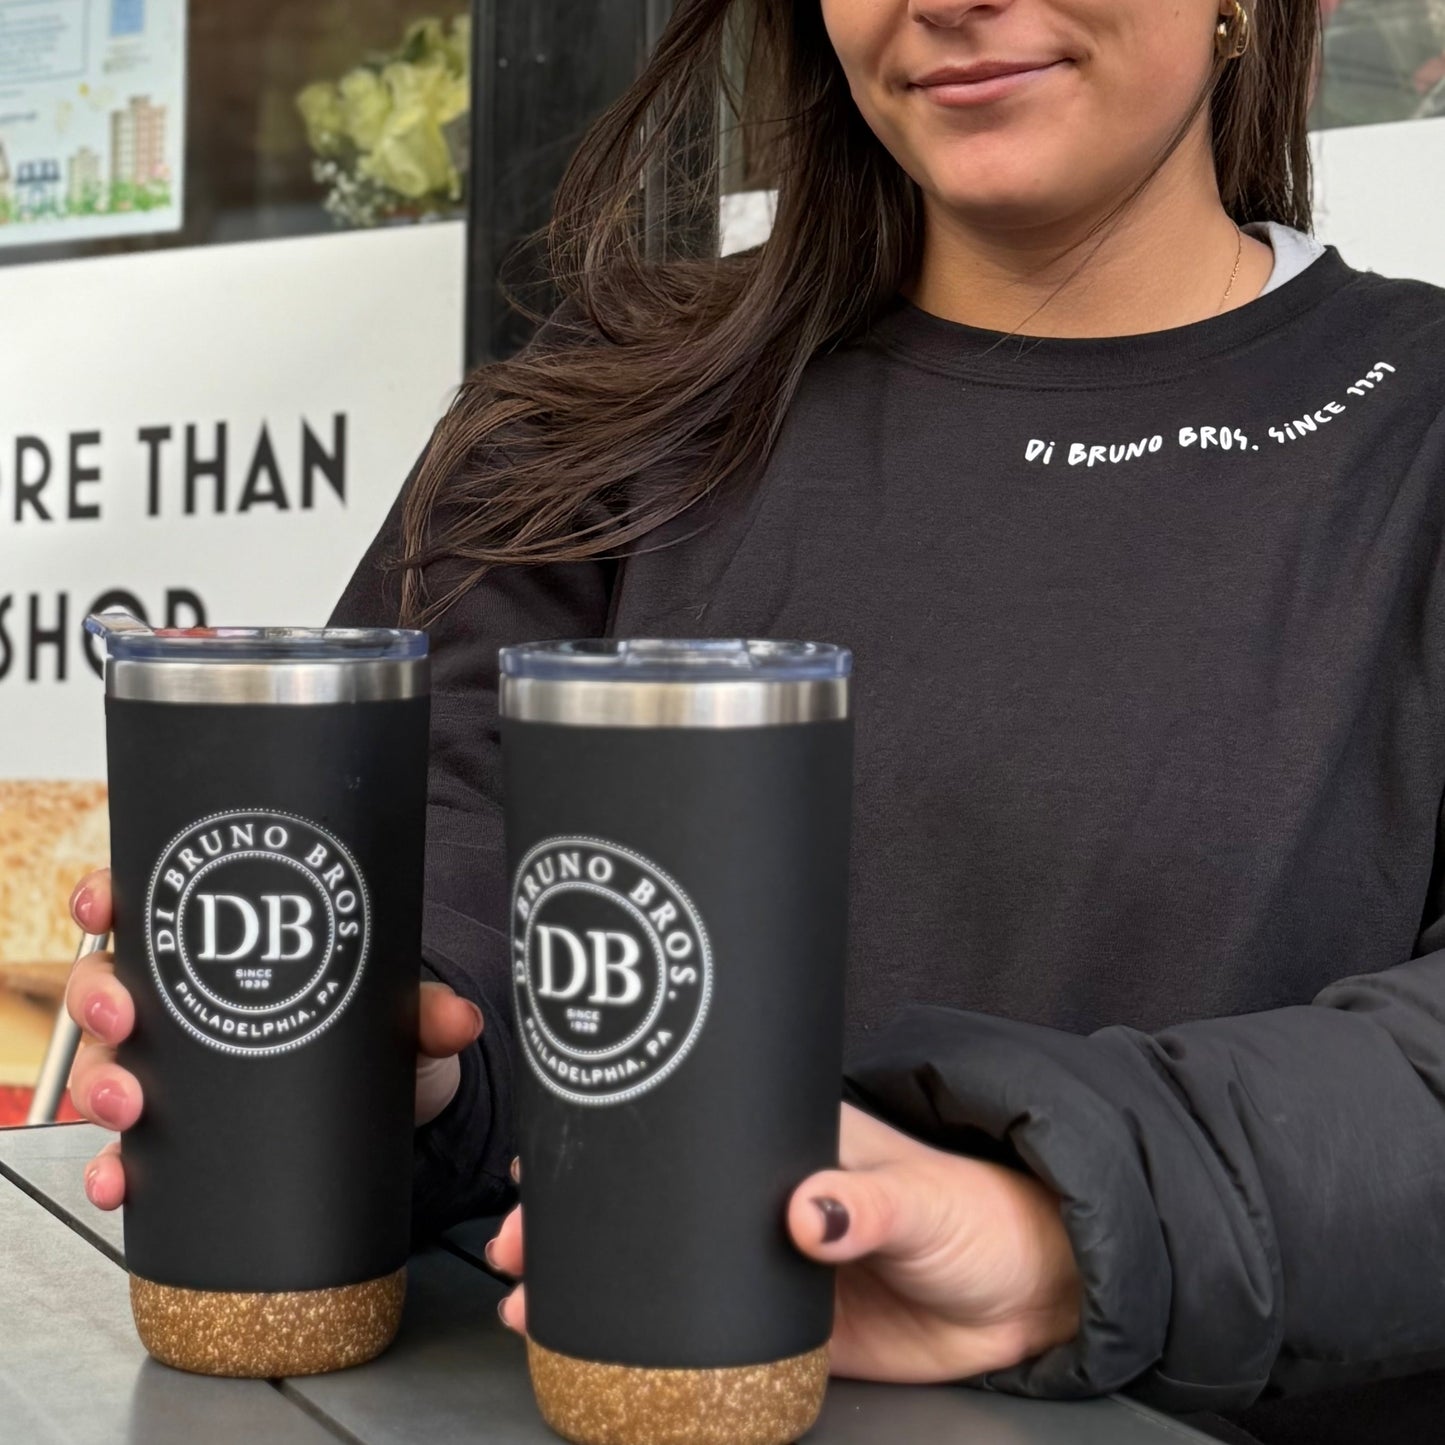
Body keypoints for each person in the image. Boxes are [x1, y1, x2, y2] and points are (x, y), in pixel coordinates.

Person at [61, 2, 1445, 1441]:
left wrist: (1057, 1227)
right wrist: (388, 1065)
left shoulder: (1414, 431)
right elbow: (469, 917)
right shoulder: (598, 416)